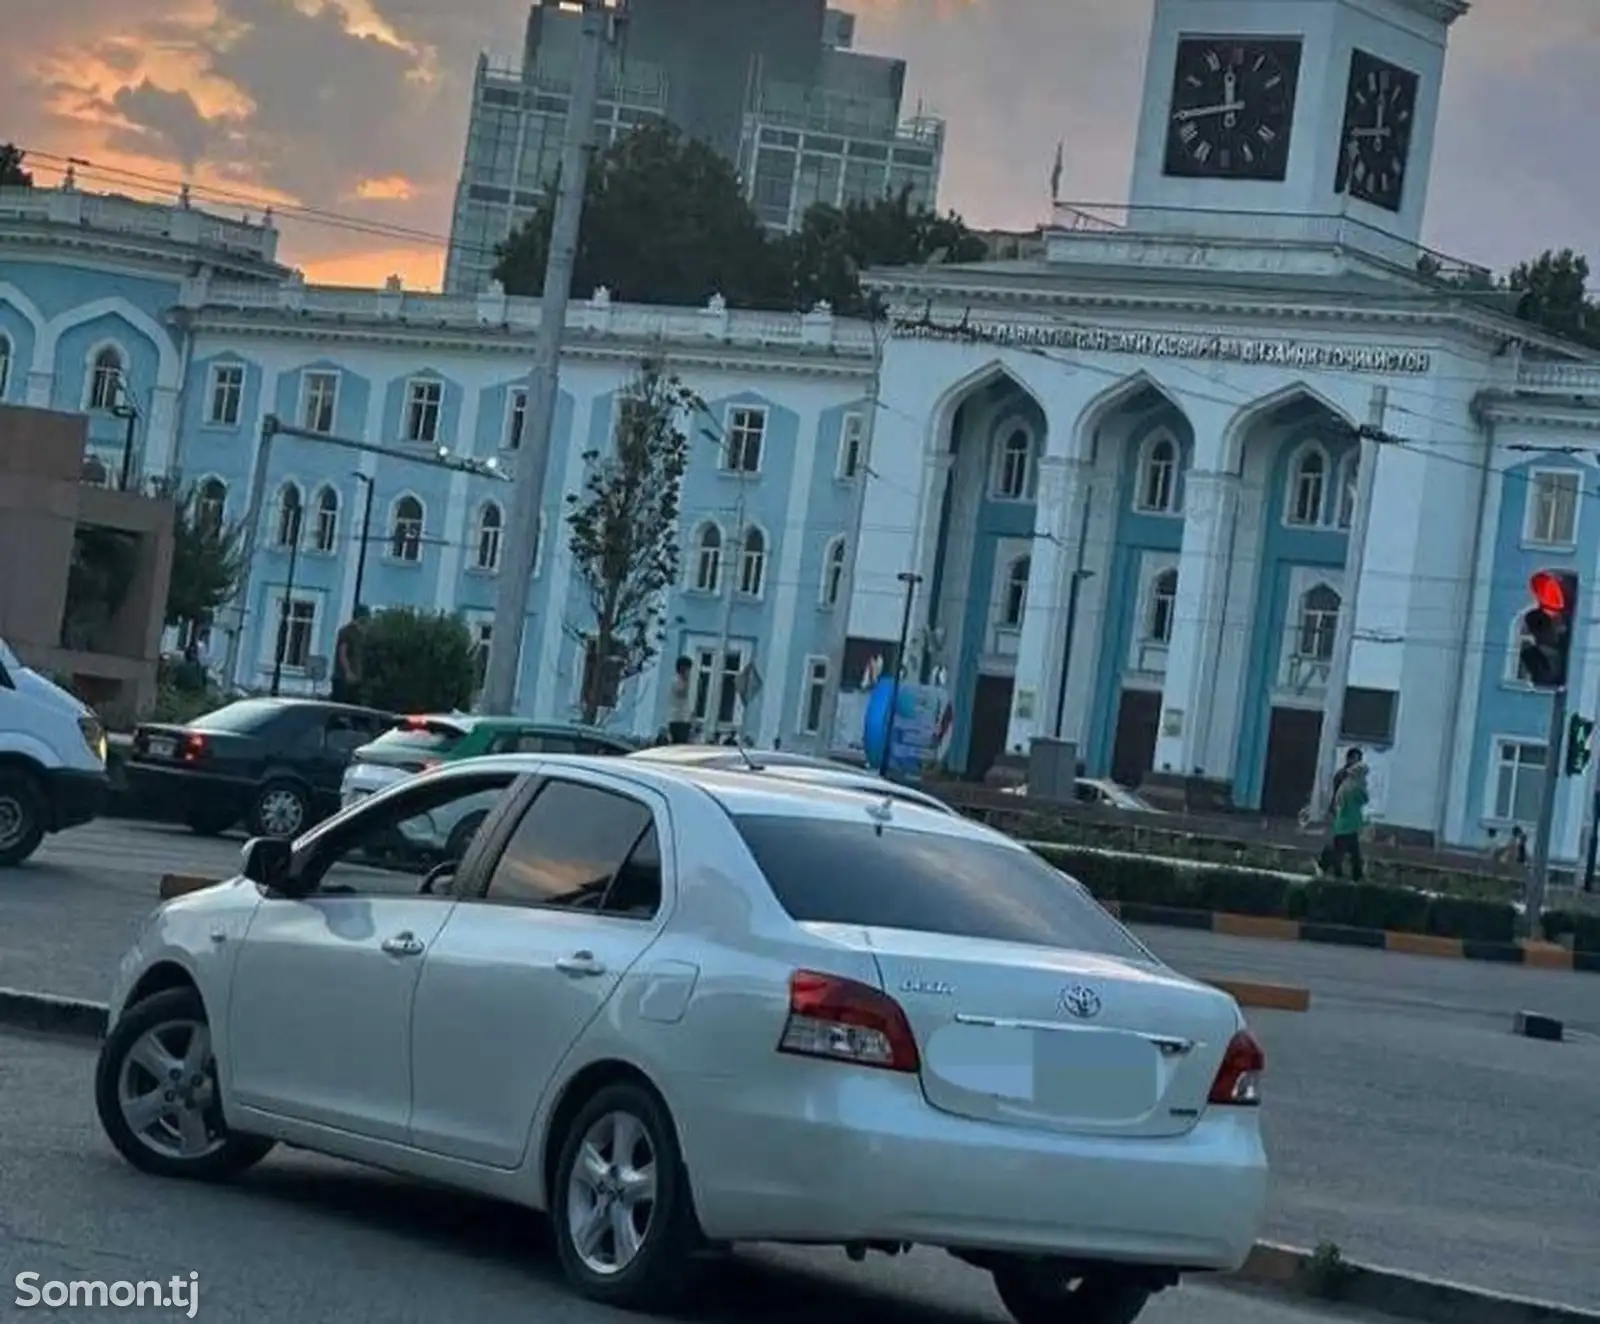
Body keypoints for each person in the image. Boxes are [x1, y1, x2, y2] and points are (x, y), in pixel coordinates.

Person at [1320, 759, 1369, 881]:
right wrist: (1364, 786)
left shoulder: (1344, 786)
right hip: (1349, 824)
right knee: (1346, 852)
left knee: (1345, 850)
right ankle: (1332, 869)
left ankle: (1335, 870)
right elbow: (1365, 799)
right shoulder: (1356, 787)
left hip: (1342, 823)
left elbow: (1338, 802)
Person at [332, 606, 369, 705]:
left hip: (355, 679)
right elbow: (342, 653)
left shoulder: (360, 634)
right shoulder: (347, 632)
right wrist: (348, 672)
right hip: (343, 679)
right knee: (341, 707)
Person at [665, 656, 694, 744]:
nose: (689, 672)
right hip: (677, 719)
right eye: (688, 669)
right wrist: (686, 680)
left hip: (684, 719)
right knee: (679, 744)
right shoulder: (676, 681)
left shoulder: (682, 681)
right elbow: (681, 692)